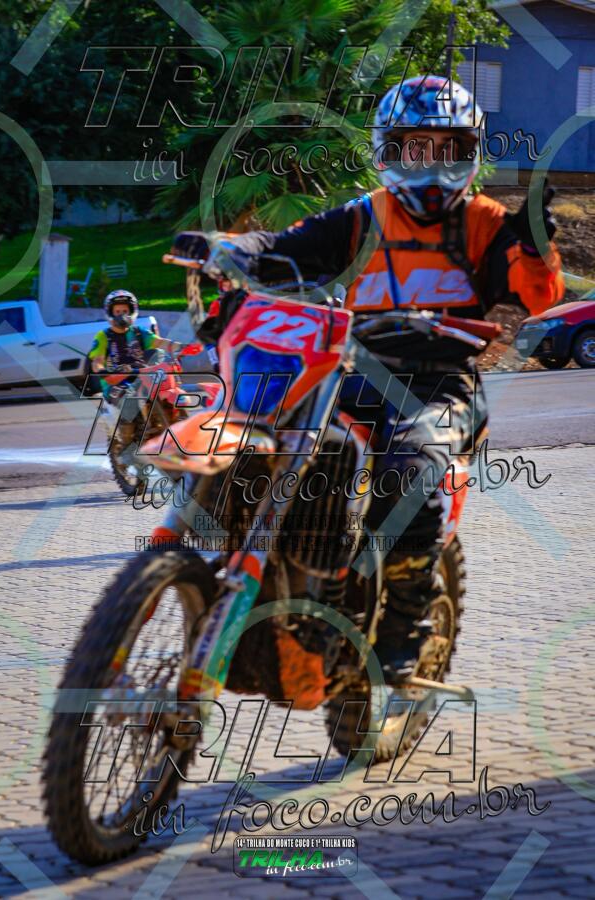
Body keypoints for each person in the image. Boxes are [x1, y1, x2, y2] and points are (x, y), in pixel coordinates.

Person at [171, 75, 565, 682]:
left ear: (470, 153)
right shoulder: (363, 216)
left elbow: (539, 298)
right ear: (389, 149)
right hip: (351, 372)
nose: (431, 163)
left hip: (439, 384)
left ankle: (404, 630)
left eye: (448, 148)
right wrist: (226, 248)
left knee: (408, 473)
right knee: (269, 441)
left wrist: (536, 247)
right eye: (416, 147)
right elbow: (281, 245)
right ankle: (265, 573)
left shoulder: (485, 222)